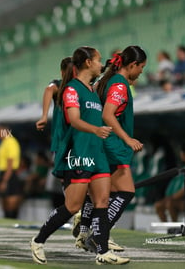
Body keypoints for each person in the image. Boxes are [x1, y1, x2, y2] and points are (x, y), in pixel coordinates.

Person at [30, 46, 129, 265]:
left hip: (97, 152)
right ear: (87, 63)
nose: (100, 64)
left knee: (102, 201)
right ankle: (38, 240)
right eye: (98, 60)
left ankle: (102, 252)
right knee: (73, 206)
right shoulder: (71, 90)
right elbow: (74, 120)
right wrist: (96, 130)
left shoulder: (93, 90)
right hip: (79, 154)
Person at [74, 46, 147, 252]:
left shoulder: (105, 81)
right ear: (132, 65)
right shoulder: (119, 85)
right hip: (113, 144)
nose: (141, 72)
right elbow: (108, 114)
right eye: (140, 67)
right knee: (125, 192)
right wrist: (127, 138)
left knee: (98, 195)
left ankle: (86, 232)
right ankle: (100, 236)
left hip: (99, 143)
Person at [36, 57, 73, 208]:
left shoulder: (80, 88)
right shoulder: (59, 86)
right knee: (68, 178)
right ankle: (74, 211)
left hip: (75, 140)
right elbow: (49, 89)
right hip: (64, 141)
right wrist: (44, 115)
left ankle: (76, 211)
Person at [164, 141, 185, 222]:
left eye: (181, 152)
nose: (180, 154)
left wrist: (172, 198)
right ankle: (169, 227)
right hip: (184, 198)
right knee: (159, 205)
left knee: (170, 203)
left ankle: (175, 228)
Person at [0, 124, 22, 219]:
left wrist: (5, 181)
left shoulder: (11, 142)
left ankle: (12, 219)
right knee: (4, 202)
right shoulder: (3, 143)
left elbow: (10, 163)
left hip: (9, 174)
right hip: (2, 173)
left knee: (11, 202)